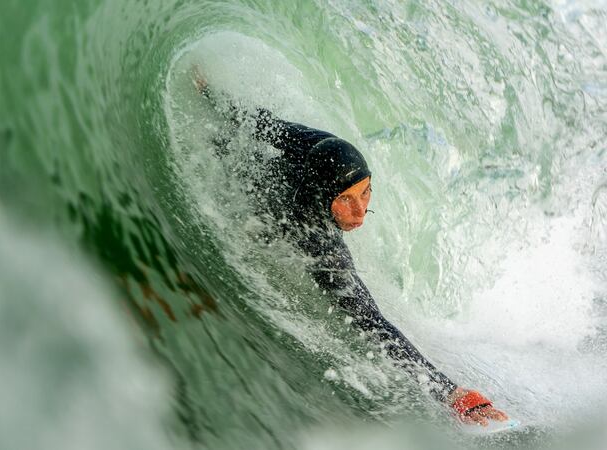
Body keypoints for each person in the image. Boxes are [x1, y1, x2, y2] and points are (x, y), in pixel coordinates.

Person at [192, 71, 508, 427]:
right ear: (325, 197)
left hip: (285, 175)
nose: (360, 211)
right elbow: (372, 321)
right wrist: (449, 391)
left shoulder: (326, 148)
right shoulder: (316, 241)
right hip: (257, 192)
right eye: (346, 200)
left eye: (365, 192)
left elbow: (261, 122)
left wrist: (211, 93)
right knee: (229, 153)